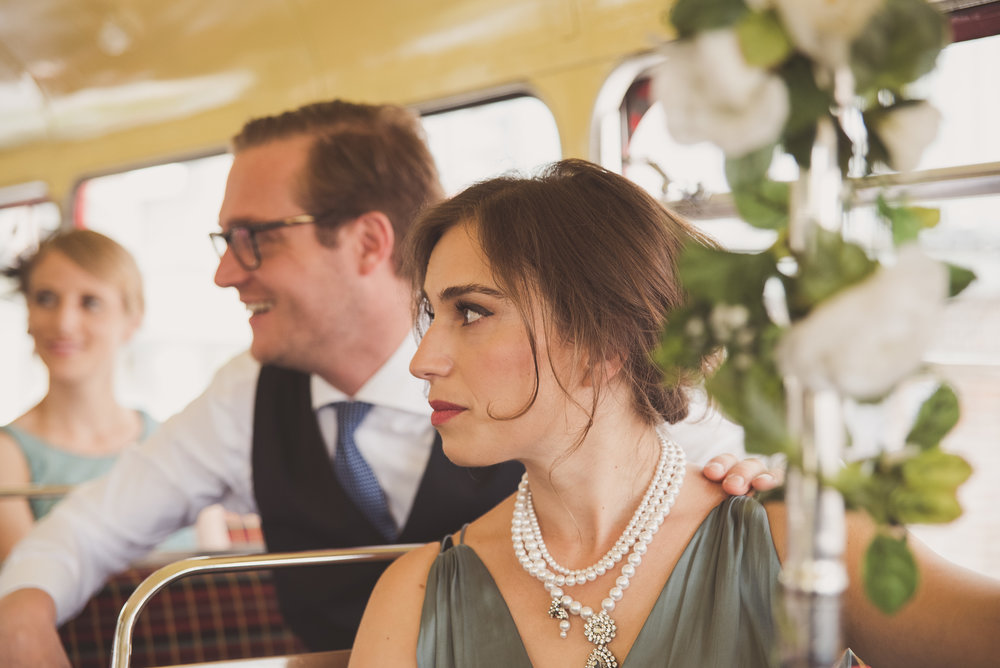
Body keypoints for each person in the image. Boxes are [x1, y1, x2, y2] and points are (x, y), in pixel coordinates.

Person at [0, 101, 770, 667]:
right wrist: (24, 619)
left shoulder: (654, 432)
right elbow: (95, 527)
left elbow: (682, 450)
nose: (224, 271)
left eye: (253, 239)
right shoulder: (252, 393)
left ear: (368, 241)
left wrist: (766, 475)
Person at [350, 159, 1000, 668]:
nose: (423, 360)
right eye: (433, 315)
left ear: (604, 340)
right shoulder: (412, 601)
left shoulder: (796, 536)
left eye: (471, 312)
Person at [0, 230, 197, 560]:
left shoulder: (177, 443)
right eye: (46, 299)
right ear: (28, 316)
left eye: (90, 303)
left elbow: (222, 574)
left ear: (132, 321)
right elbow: (26, 592)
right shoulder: (7, 457)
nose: (64, 323)